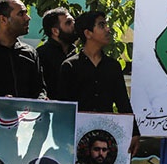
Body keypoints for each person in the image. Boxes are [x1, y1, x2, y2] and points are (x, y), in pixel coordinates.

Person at [58, 11, 139, 154]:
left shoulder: (112, 66)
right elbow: (65, 109)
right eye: (102, 25)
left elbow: (123, 101)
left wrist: (134, 132)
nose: (108, 29)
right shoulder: (70, 66)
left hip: (105, 138)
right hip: (77, 139)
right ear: (88, 33)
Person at [36, 7, 76, 99]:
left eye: (73, 21)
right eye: (68, 23)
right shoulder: (41, 55)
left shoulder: (76, 54)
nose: (73, 25)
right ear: (55, 31)